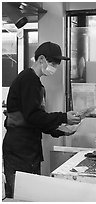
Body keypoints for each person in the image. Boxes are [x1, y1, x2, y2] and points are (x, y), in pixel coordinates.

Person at [2, 41, 81, 198]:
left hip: (28, 150)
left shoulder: (35, 82)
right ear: (41, 59)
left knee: (30, 195)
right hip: (20, 151)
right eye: (54, 63)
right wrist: (64, 116)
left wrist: (60, 130)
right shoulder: (28, 80)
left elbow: (36, 119)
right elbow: (33, 117)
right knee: (22, 197)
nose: (55, 68)